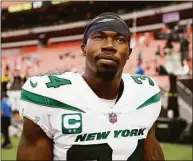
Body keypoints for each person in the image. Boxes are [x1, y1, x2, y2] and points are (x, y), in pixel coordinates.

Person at [17, 12, 164, 161]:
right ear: (83, 49)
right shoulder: (46, 96)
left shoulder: (145, 94)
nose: (109, 46)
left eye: (120, 39)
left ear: (129, 53)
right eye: (99, 37)